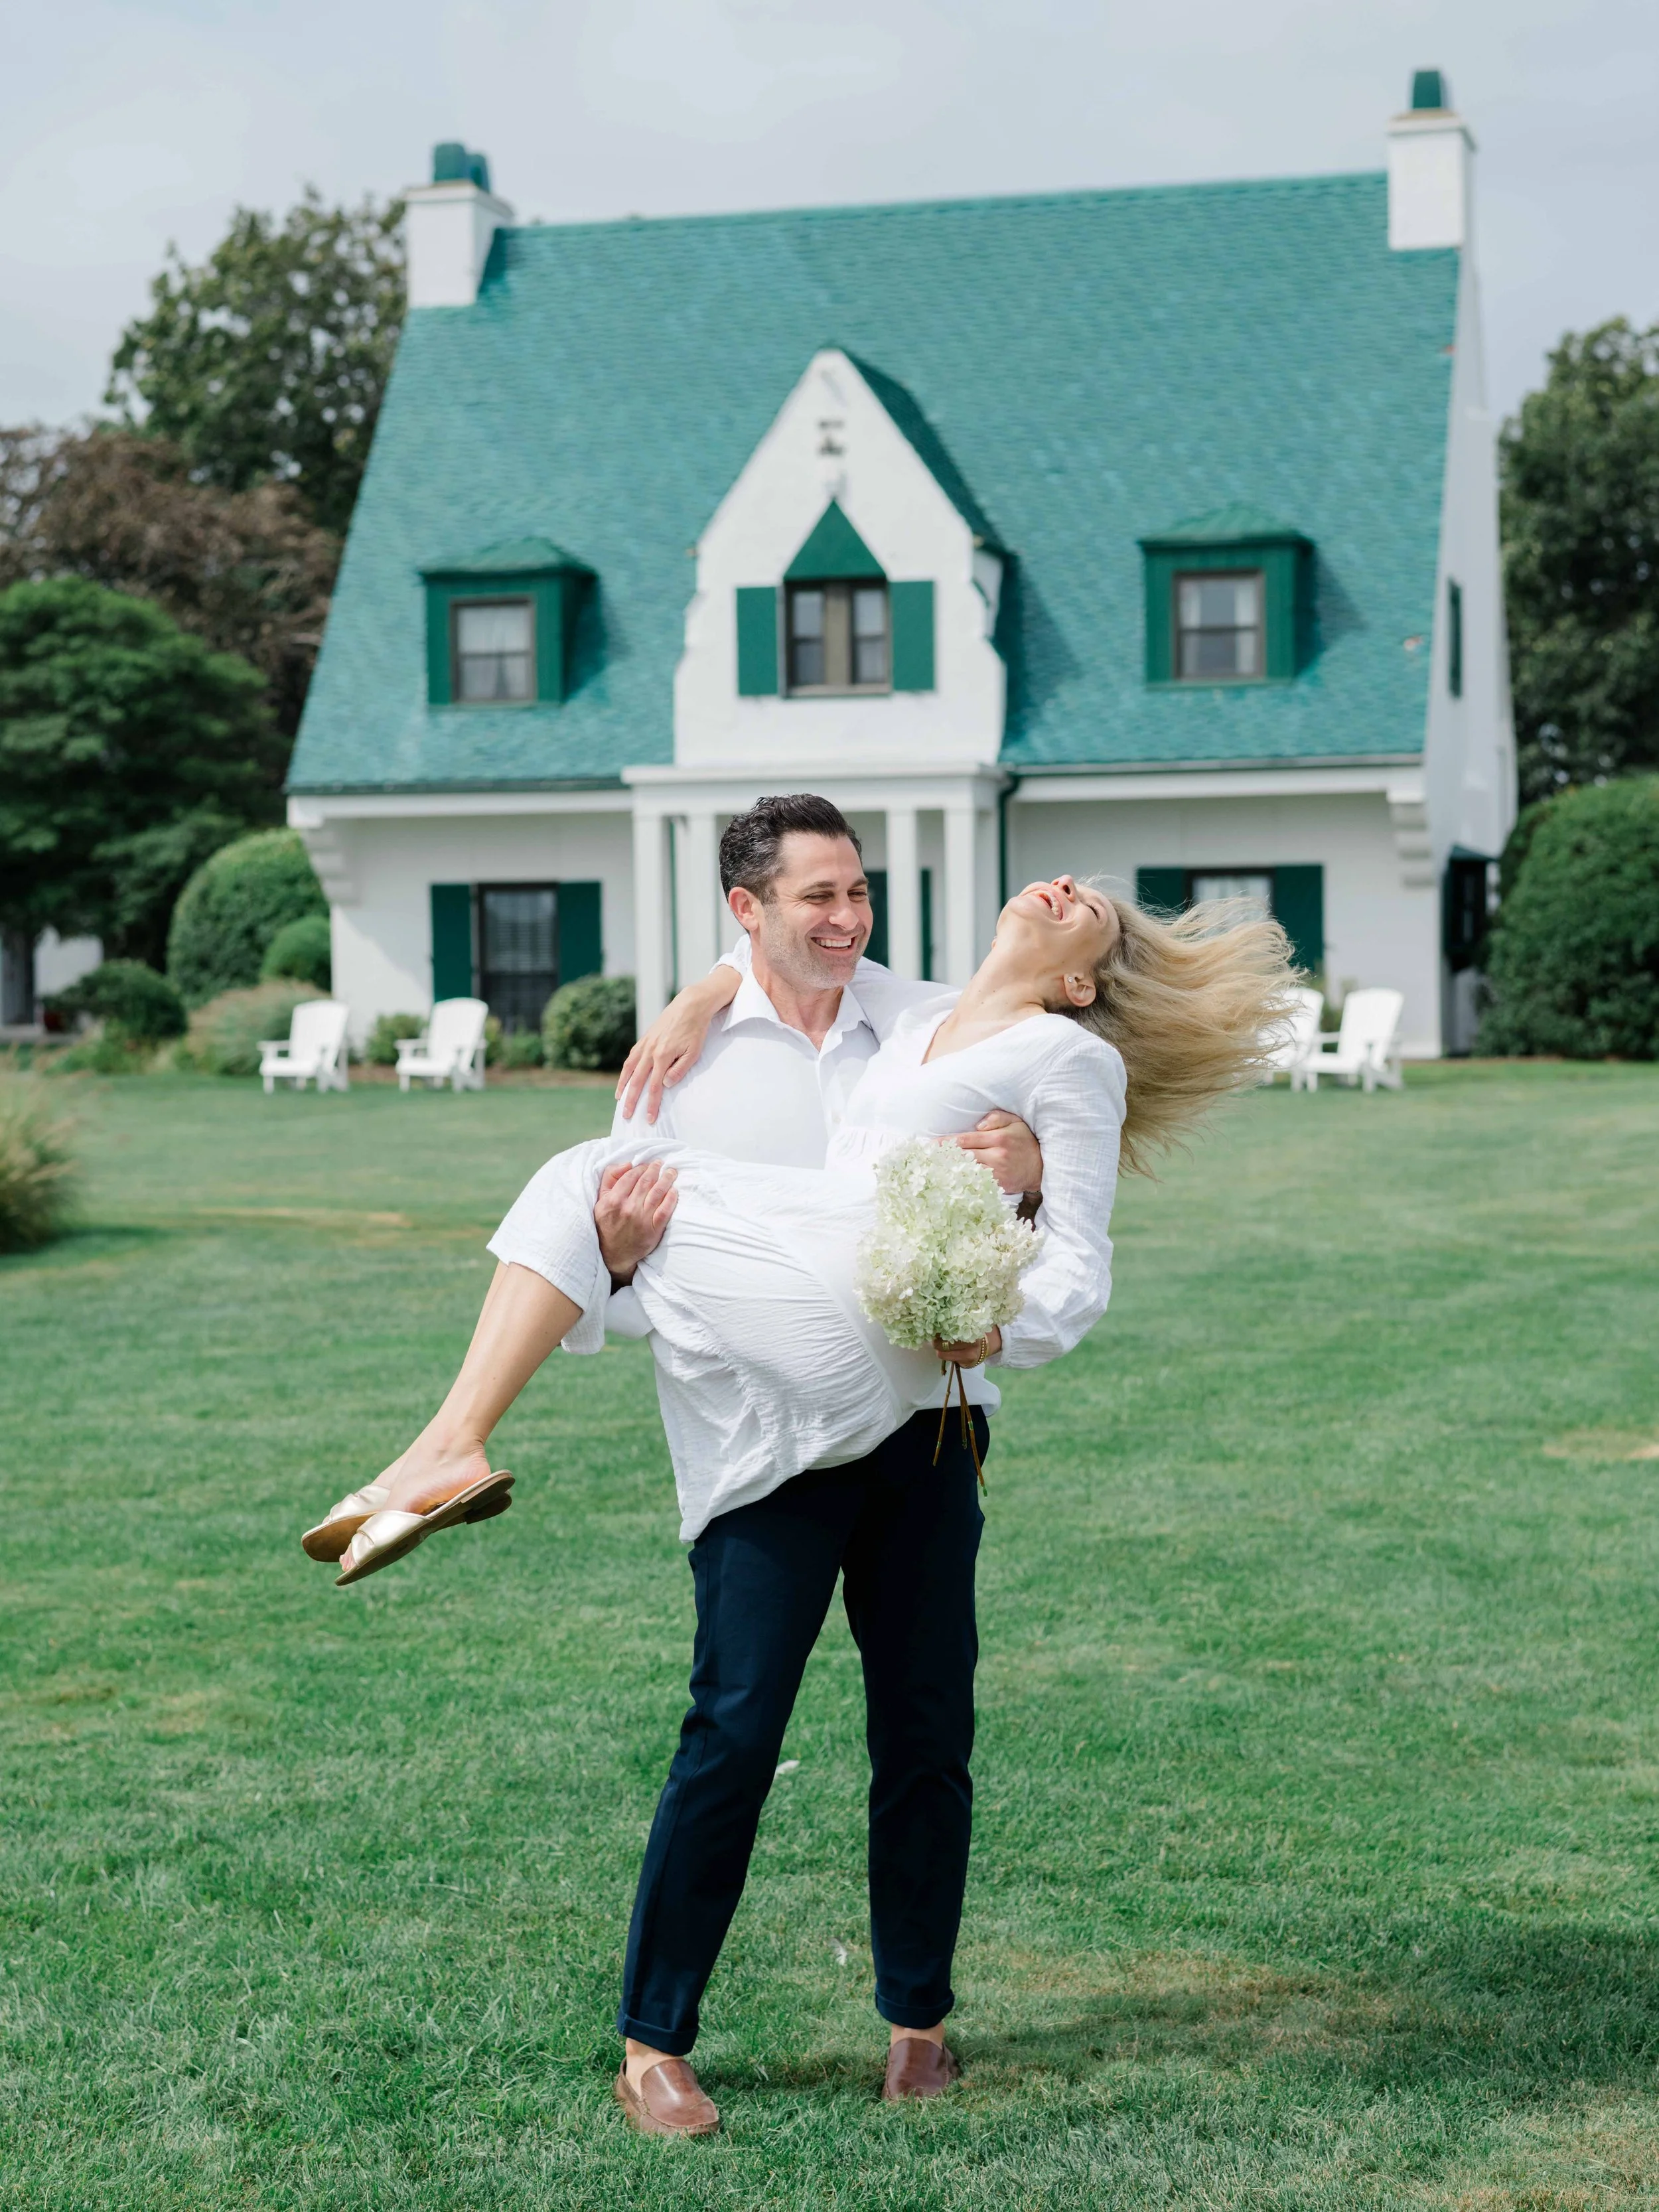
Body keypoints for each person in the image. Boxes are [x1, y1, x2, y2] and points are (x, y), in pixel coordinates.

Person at [299, 794, 1291, 2136]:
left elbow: (1067, 1255)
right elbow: (640, 1289)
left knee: (926, 1729)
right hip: (759, 1441)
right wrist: (673, 1137)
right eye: (813, 895)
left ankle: (918, 2024)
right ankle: (653, 2041)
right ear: (746, 910)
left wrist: (1032, 1187)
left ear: (1073, 979)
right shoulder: (706, 1055)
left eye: (857, 892)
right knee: (732, 1723)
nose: (844, 914)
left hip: (923, 1427)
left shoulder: (988, 1036)